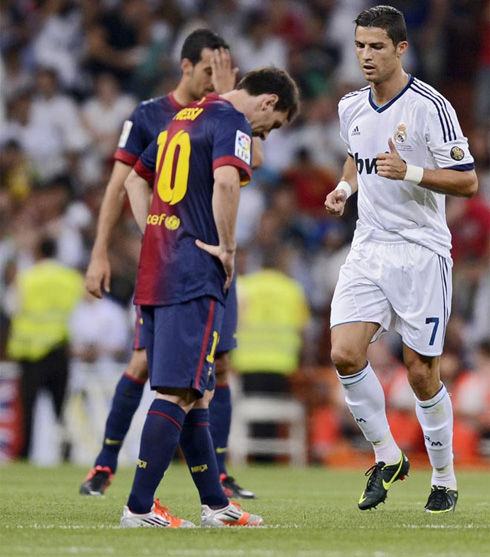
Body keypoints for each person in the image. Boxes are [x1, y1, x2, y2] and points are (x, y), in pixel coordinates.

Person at [80, 29, 257, 500]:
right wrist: (106, 249)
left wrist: (227, 97)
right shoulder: (149, 116)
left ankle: (215, 488)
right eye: (205, 71)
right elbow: (122, 183)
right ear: (185, 66)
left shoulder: (222, 112)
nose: (211, 79)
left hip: (204, 256)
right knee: (154, 369)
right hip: (182, 262)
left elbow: (249, 160)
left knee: (212, 373)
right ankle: (106, 468)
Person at [121, 66, 299, 528]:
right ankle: (139, 507)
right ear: (267, 103)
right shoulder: (232, 122)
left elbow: (134, 180)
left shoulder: (183, 118)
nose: (266, 134)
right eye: (273, 125)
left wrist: (153, 235)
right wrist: (227, 247)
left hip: (159, 267)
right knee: (179, 392)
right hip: (194, 272)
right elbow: (225, 182)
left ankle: (216, 505)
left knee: (198, 392)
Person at [324, 5, 478, 514]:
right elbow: (357, 153)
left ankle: (445, 477)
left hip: (420, 250)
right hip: (369, 245)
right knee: (345, 353)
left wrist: (410, 172)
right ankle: (387, 456)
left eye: (376, 47)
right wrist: (346, 186)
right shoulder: (351, 106)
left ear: (401, 49)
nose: (366, 56)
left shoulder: (430, 106)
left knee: (420, 373)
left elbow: (467, 180)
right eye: (360, 46)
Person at [6, 236, 84, 459]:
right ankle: (67, 452)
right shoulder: (70, 278)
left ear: (37, 252)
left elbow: (12, 308)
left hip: (30, 353)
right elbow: (79, 312)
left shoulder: (27, 278)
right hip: (60, 348)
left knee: (28, 408)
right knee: (61, 407)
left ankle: (24, 453)